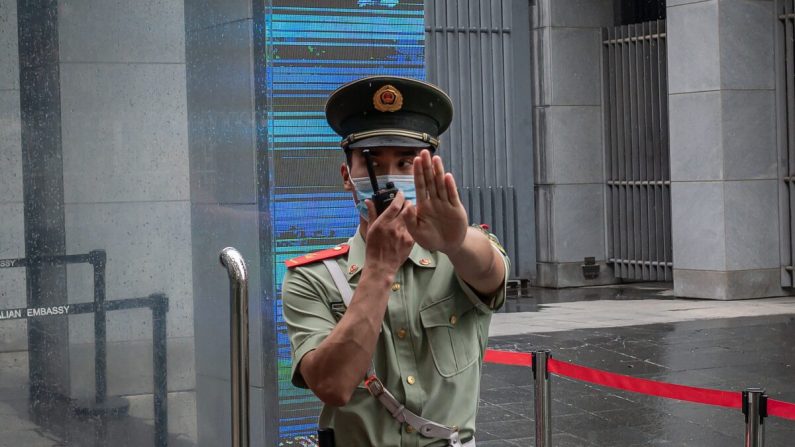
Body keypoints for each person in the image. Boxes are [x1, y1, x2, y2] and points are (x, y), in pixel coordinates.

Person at [282, 76, 510, 447]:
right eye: (373, 163)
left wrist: (454, 240)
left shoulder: (459, 255)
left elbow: (490, 274)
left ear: (428, 173)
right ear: (347, 176)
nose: (390, 178)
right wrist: (379, 270)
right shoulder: (312, 278)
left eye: (406, 163)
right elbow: (331, 386)